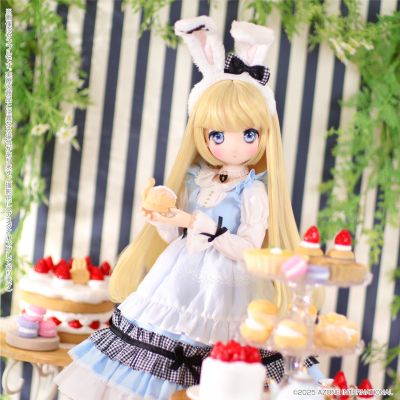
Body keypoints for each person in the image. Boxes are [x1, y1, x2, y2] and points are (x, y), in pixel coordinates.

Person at [55, 16, 320, 400]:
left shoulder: (253, 192)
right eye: (218, 135)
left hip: (230, 286)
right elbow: (176, 236)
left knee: (228, 371)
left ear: (265, 135)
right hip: (178, 277)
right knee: (161, 350)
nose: (233, 146)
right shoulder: (200, 179)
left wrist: (199, 223)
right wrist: (163, 220)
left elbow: (249, 250)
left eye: (248, 134)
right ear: (201, 134)